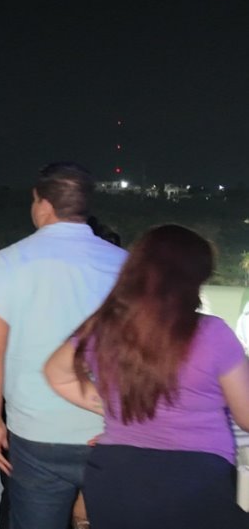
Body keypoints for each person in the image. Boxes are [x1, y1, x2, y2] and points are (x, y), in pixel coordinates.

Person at [45, 224, 249, 528]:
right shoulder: (213, 333)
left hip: (116, 475)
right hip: (194, 480)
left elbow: (57, 374)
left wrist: (118, 409)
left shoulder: (106, 326)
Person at [0, 162, 127, 529]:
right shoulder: (124, 264)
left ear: (42, 203)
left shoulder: (7, 262)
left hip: (36, 432)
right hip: (108, 428)